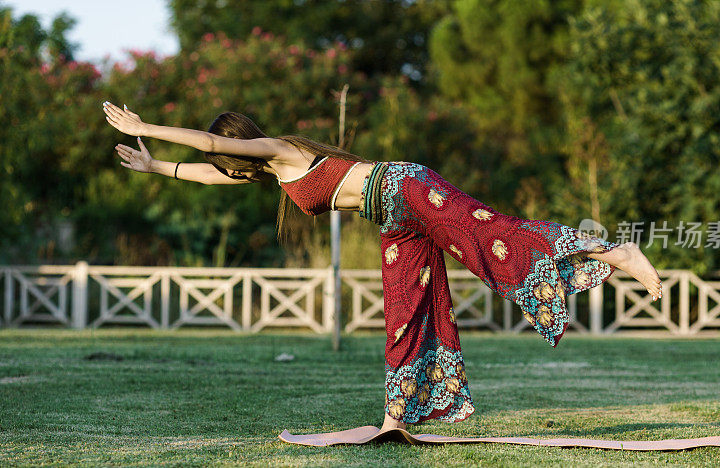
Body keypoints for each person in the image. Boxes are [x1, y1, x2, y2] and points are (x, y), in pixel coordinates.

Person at [102, 101, 662, 431]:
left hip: (406, 187)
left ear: (240, 144)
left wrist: (144, 127)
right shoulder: (270, 171)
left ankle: (614, 251)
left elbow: (205, 142)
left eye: (226, 155)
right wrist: (156, 167)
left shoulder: (279, 150)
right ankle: (404, 412)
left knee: (490, 238)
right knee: (405, 305)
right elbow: (211, 171)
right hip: (396, 218)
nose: (228, 166)